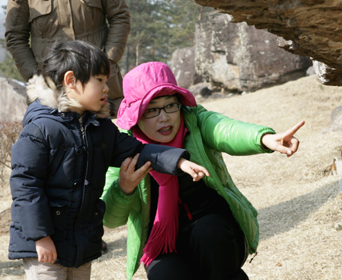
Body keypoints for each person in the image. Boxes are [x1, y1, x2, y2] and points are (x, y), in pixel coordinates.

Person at [9, 41, 209, 280]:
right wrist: (40, 237)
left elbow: (137, 151)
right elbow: (26, 186)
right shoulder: (40, 129)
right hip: (44, 246)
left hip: (82, 243)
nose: (107, 88)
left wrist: (178, 162)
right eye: (100, 80)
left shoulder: (100, 128)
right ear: (71, 81)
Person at [101, 62, 304, 280]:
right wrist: (124, 188)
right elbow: (110, 220)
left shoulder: (195, 120)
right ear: (136, 116)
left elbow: (226, 130)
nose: (164, 117)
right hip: (164, 244)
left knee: (209, 232)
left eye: (171, 105)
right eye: (152, 110)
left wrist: (263, 138)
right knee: (165, 275)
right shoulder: (124, 147)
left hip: (217, 232)